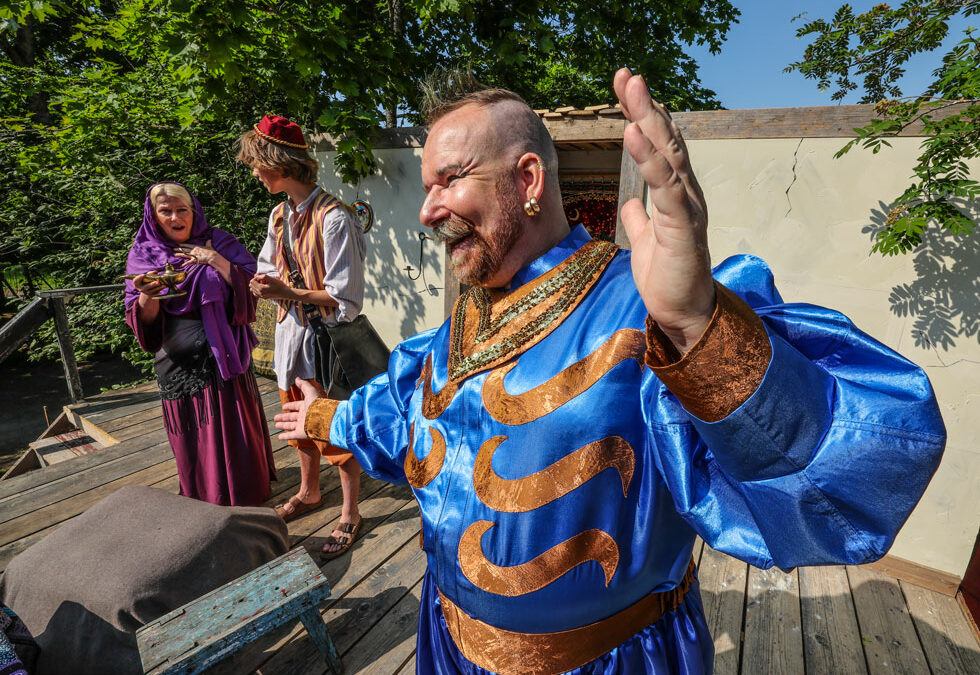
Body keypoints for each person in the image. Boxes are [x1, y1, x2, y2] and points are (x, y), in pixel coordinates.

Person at [276, 69, 946, 674]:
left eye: (449, 178)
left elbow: (865, 465)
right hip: (445, 646)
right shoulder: (455, 329)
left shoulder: (648, 309)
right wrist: (321, 414)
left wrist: (699, 332)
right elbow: (405, 423)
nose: (427, 210)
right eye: (426, 189)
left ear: (528, 179)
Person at [239, 115, 367, 559]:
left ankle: (351, 511)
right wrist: (263, 281)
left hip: (322, 342)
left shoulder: (336, 219)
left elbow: (345, 297)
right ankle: (310, 491)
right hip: (289, 339)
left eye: (259, 164)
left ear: (281, 162)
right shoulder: (279, 214)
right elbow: (268, 265)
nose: (254, 172)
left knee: (330, 427)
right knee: (297, 425)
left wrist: (287, 291)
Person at [125, 182, 276, 506]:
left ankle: (246, 492)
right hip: (179, 365)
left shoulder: (219, 242)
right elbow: (145, 320)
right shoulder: (143, 252)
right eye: (166, 211)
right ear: (153, 216)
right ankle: (204, 495)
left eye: (183, 210)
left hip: (226, 353)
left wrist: (215, 260)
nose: (175, 217)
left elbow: (252, 282)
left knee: (234, 428)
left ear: (194, 212)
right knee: (197, 434)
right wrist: (147, 296)